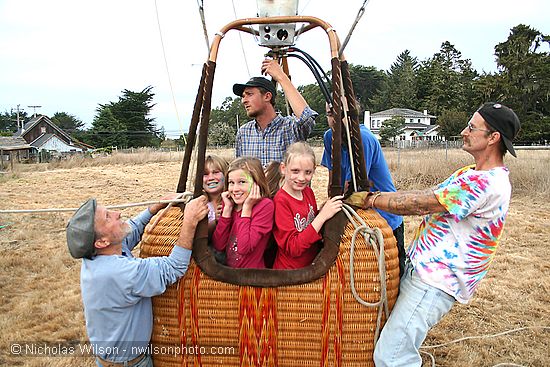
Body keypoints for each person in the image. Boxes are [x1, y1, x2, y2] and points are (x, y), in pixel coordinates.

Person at [346, 102, 520, 366]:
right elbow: (423, 195)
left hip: (434, 282)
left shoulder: (484, 183)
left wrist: (370, 199)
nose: (464, 131)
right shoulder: (470, 173)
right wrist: (376, 194)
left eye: (472, 128)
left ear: (493, 138)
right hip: (424, 273)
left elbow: (417, 204)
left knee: (392, 356)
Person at [66, 194, 209, 367]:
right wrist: (190, 221)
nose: (117, 213)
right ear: (102, 242)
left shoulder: (99, 256)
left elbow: (132, 228)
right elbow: (174, 267)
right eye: (107, 217)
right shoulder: (119, 272)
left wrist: (154, 208)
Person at [321, 103, 406, 276]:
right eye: (330, 114)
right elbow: (333, 184)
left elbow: (356, 187)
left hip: (385, 218)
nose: (334, 120)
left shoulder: (363, 139)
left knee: (392, 275)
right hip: (357, 219)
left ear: (353, 115)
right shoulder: (329, 137)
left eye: (340, 114)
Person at [234, 59, 318, 167]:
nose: (244, 100)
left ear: (267, 96)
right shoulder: (243, 132)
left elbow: (307, 118)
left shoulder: (290, 127)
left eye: (249, 94)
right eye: (243, 96)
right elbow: (239, 172)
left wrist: (281, 77)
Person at [273, 142, 344, 269]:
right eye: (295, 171)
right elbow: (293, 248)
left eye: (307, 172)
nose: (301, 178)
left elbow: (310, 223)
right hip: (290, 273)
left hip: (310, 266)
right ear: (283, 169)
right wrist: (322, 216)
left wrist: (323, 211)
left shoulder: (308, 192)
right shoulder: (281, 201)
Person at [212, 157, 274, 269]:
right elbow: (219, 245)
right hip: (231, 273)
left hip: (251, 276)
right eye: (231, 182)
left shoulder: (265, 206)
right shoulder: (231, 204)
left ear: (256, 183)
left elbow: (243, 248)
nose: (235, 189)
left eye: (242, 182)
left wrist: (246, 208)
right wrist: (226, 212)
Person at [203, 154, 229, 264]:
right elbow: (199, 236)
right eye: (205, 174)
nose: (211, 177)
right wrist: (216, 222)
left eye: (216, 172)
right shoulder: (199, 203)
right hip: (208, 262)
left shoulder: (232, 201)